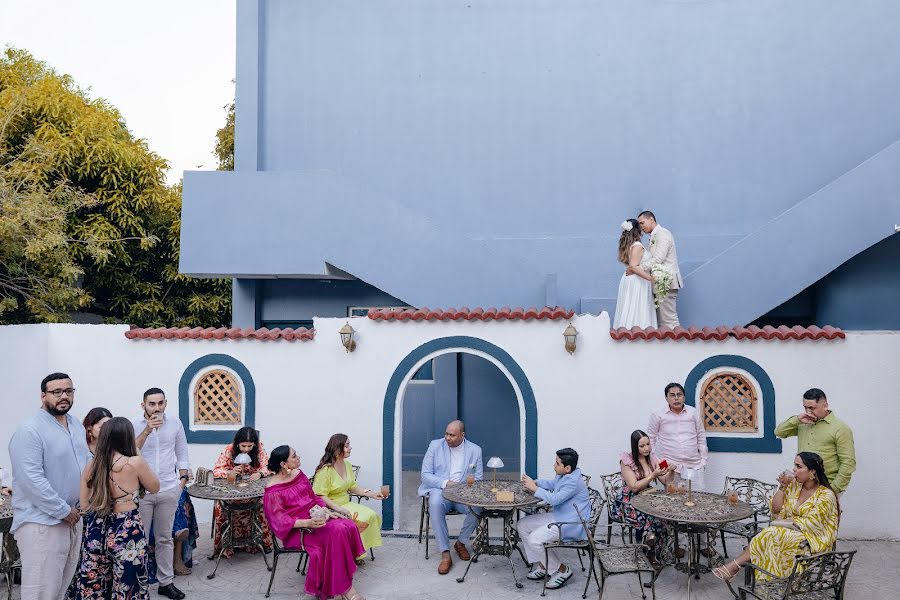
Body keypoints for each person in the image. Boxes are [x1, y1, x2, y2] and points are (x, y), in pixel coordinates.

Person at [8, 372, 91, 600]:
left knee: (59, 590)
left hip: (73, 519)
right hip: (42, 524)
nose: (63, 396)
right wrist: (63, 511)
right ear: (43, 396)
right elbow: (30, 480)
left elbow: (86, 465)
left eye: (68, 391)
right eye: (57, 392)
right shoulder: (30, 430)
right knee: (41, 592)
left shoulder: (75, 424)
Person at [713, 452, 839, 582]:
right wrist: (783, 487)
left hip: (810, 541)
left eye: (799, 466)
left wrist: (789, 522)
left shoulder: (825, 495)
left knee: (770, 534)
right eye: (794, 465)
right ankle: (761, 579)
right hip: (785, 533)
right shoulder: (794, 486)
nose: (794, 469)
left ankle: (736, 567)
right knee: (771, 536)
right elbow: (776, 509)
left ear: (812, 472)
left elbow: (814, 525)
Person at [263, 446, 366, 600]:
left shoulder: (298, 474)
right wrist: (308, 523)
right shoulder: (272, 490)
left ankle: (336, 587)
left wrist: (328, 511)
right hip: (298, 530)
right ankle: (346, 590)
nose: (298, 458)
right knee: (337, 532)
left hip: (317, 518)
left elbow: (314, 497)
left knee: (347, 525)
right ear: (284, 464)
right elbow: (280, 522)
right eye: (294, 456)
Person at [77, 416, 160, 599]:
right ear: (127, 437)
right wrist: (137, 452)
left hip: (97, 528)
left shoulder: (93, 465)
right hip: (127, 528)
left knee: (95, 584)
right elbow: (155, 487)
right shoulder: (134, 463)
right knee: (129, 585)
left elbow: (84, 504)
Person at [131, 388, 190, 600]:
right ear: (143, 405)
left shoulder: (175, 423)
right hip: (142, 492)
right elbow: (130, 451)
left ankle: (166, 582)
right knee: (141, 540)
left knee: (165, 538)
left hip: (168, 489)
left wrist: (181, 482)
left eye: (160, 403)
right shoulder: (134, 425)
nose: (157, 408)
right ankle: (138, 583)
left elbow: (182, 451)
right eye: (152, 404)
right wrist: (147, 430)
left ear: (165, 403)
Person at [519, 448, 591, 590]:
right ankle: (543, 564)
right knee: (522, 525)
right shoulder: (565, 474)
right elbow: (552, 485)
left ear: (567, 468)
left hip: (571, 523)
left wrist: (534, 488)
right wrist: (536, 483)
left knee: (534, 539)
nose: (554, 465)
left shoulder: (572, 481)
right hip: (560, 516)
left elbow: (555, 500)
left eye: (557, 463)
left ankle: (562, 570)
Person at [418, 419, 483, 575]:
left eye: (452, 435)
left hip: (462, 494)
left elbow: (479, 478)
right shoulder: (435, 446)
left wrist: (465, 488)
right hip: (440, 490)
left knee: (478, 505)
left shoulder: (475, 450)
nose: (447, 438)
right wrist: (446, 483)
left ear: (462, 435)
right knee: (434, 502)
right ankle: (445, 554)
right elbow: (425, 475)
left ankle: (461, 543)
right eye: (446, 434)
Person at [64, 406, 113, 600]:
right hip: (85, 512)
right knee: (83, 561)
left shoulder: (111, 451)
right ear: (89, 429)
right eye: (103, 426)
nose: (107, 430)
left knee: (103, 561)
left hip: (105, 512)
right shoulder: (80, 449)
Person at [313, 434, 386, 562]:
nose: (350, 448)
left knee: (371, 515)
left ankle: (357, 552)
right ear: (337, 449)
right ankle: (352, 555)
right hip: (331, 508)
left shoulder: (347, 465)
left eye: (349, 445)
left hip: (346, 504)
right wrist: (339, 509)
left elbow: (352, 486)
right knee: (360, 520)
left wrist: (372, 494)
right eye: (347, 446)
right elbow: (320, 495)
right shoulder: (325, 470)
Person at [774, 388, 856, 495]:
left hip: (826, 486)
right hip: (802, 485)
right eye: (805, 407)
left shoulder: (840, 428)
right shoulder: (803, 422)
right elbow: (779, 432)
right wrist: (797, 419)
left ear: (825, 405)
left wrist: (834, 489)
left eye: (812, 408)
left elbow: (848, 462)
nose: (808, 411)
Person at [610, 430, 675, 563]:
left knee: (664, 513)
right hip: (628, 500)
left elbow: (666, 482)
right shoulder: (626, 461)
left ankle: (657, 547)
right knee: (651, 515)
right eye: (642, 446)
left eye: (648, 444)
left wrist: (672, 470)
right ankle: (649, 549)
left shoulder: (652, 458)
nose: (647, 448)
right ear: (635, 446)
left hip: (647, 495)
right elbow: (633, 486)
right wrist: (653, 475)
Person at [211, 426, 273, 557]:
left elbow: (269, 467)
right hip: (231, 491)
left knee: (263, 504)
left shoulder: (259, 449)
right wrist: (230, 472)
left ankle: (260, 543)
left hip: (253, 491)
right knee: (221, 507)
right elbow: (216, 471)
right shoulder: (229, 450)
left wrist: (260, 473)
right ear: (237, 443)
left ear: (254, 444)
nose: (246, 449)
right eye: (243, 446)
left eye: (250, 446)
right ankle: (226, 545)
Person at [647, 382, 708, 490]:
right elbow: (650, 439)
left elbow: (701, 436)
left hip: (694, 465)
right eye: (672, 395)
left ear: (684, 397)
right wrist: (656, 462)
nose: (676, 398)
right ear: (666, 398)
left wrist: (703, 460)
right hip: (670, 468)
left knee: (698, 500)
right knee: (674, 502)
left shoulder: (693, 413)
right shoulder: (658, 414)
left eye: (679, 395)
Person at [633, 210, 683, 328]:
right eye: (639, 224)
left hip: (666, 282)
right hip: (659, 283)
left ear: (651, 220)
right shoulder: (654, 236)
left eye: (642, 223)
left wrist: (638, 268)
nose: (641, 226)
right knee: (662, 322)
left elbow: (659, 258)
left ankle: (678, 345)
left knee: (669, 320)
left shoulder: (663, 234)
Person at [613, 218, 658, 329]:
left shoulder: (631, 245)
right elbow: (633, 266)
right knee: (637, 308)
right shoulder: (637, 246)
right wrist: (650, 278)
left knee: (630, 307)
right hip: (638, 281)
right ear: (638, 231)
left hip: (631, 280)